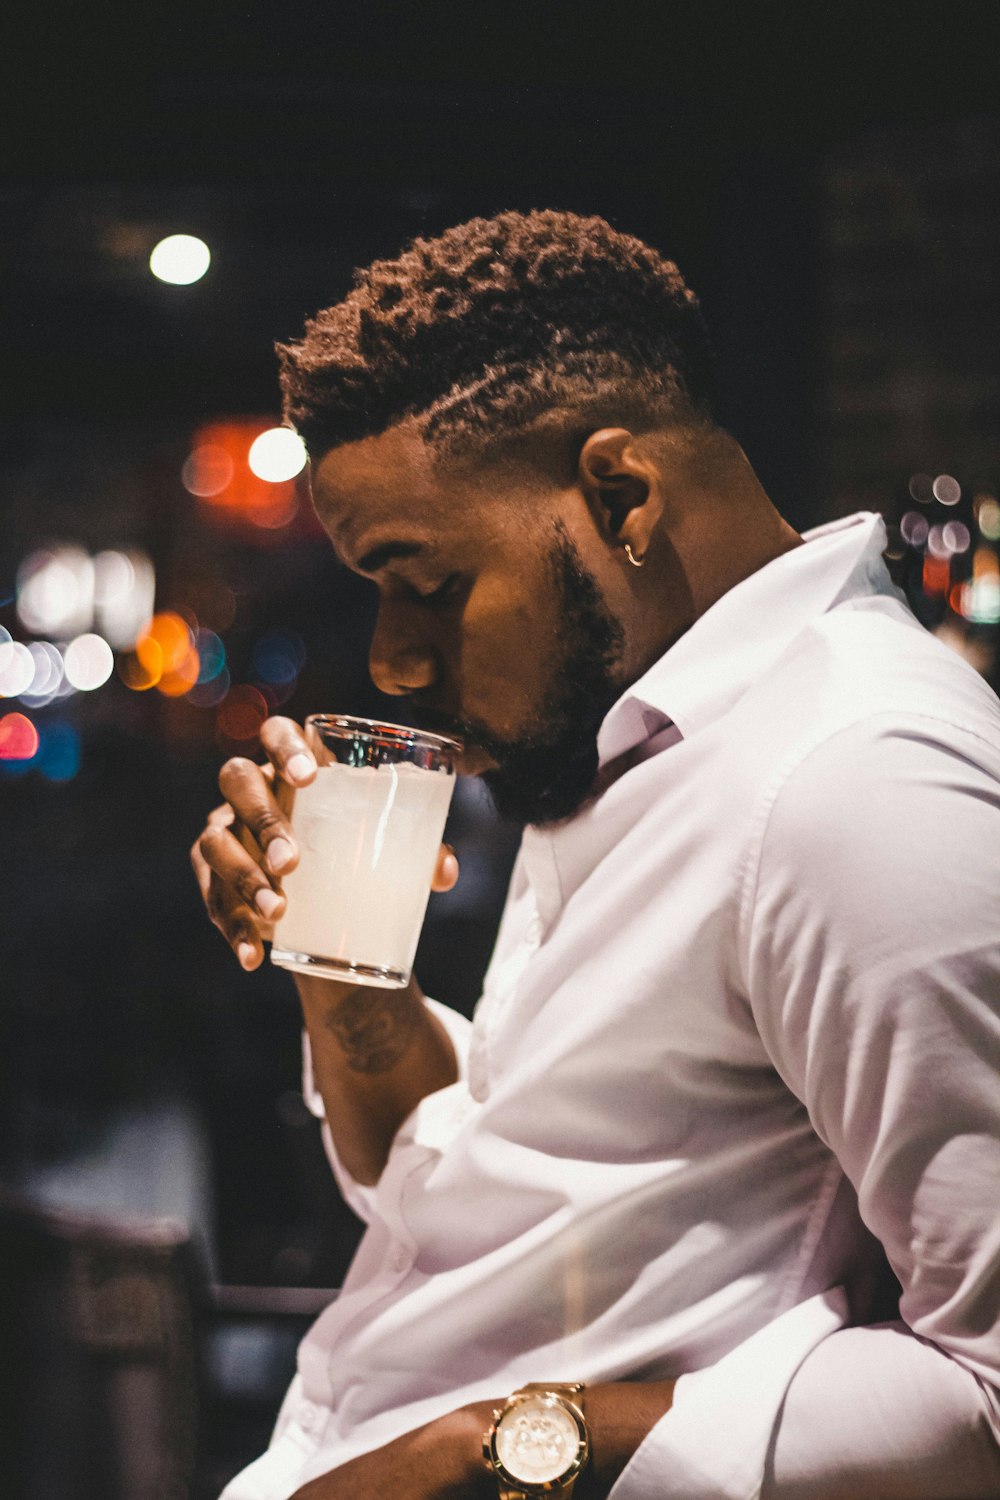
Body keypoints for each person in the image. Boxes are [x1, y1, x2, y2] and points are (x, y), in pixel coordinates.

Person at [190, 210, 1000, 1499]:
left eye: (428, 581)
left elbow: (987, 1394)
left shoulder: (857, 775)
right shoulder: (635, 730)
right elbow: (505, 1182)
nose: (392, 658)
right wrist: (347, 989)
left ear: (620, 494)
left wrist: (498, 1450)